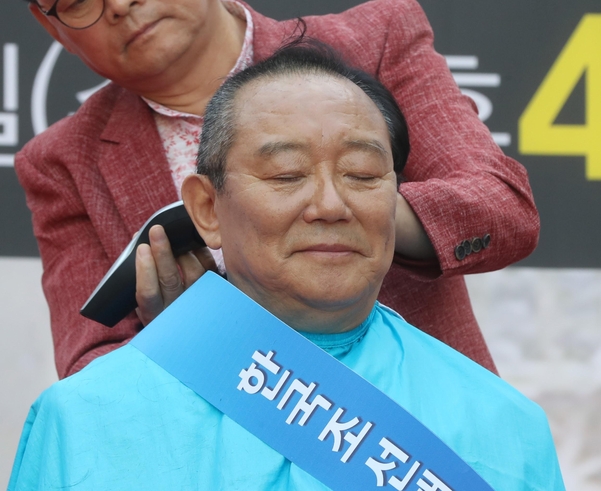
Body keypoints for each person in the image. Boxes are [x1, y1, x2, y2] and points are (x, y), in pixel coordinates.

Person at [8, 44, 563, 490]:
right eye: (286, 175)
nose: (331, 205)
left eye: (362, 174)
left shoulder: (506, 428)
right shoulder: (85, 420)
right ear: (207, 209)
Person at [18, 0, 539, 378]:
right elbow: (89, 368)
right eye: (78, 1)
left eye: (360, 170)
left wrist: (359, 211)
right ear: (51, 26)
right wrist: (181, 337)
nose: (119, 6)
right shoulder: (62, 162)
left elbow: (503, 210)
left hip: (422, 445)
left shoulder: (374, 40)